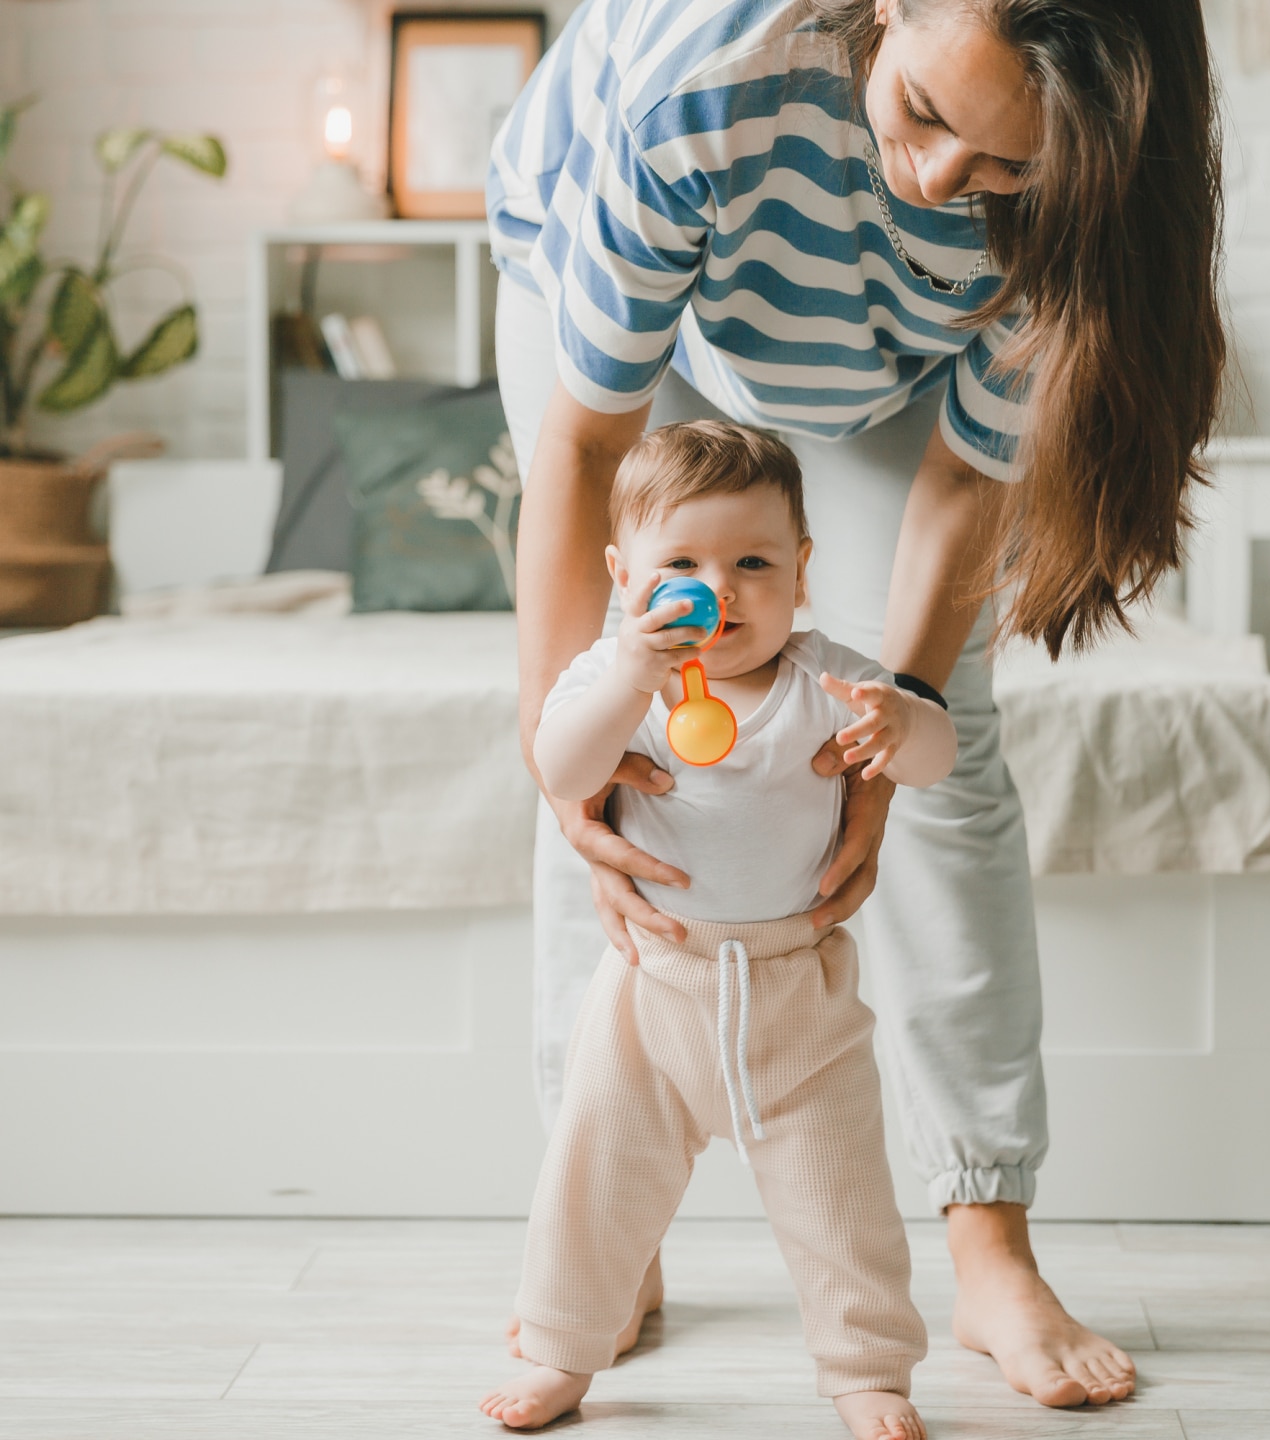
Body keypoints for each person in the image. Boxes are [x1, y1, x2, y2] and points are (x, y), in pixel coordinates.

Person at [488, 0, 1224, 1409]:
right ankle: (597, 1240)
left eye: (1003, 170)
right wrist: (565, 769)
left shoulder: (1087, 185)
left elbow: (965, 484)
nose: (945, 180)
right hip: (628, 286)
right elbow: (584, 449)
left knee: (950, 726)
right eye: (933, 118)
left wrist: (888, 745)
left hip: (896, 351)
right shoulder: (701, 89)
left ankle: (990, 1235)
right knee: (599, 718)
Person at [482, 421, 955, 1438]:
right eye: (683, 566)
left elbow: (934, 757)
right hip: (656, 990)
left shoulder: (829, 684)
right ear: (623, 576)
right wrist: (626, 678)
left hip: (800, 992)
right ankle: (567, 1350)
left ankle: (869, 1369)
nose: (722, 592)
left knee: (843, 1204)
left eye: (753, 563)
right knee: (594, 1180)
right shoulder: (619, 687)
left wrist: (904, 724)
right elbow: (562, 771)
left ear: (802, 571)